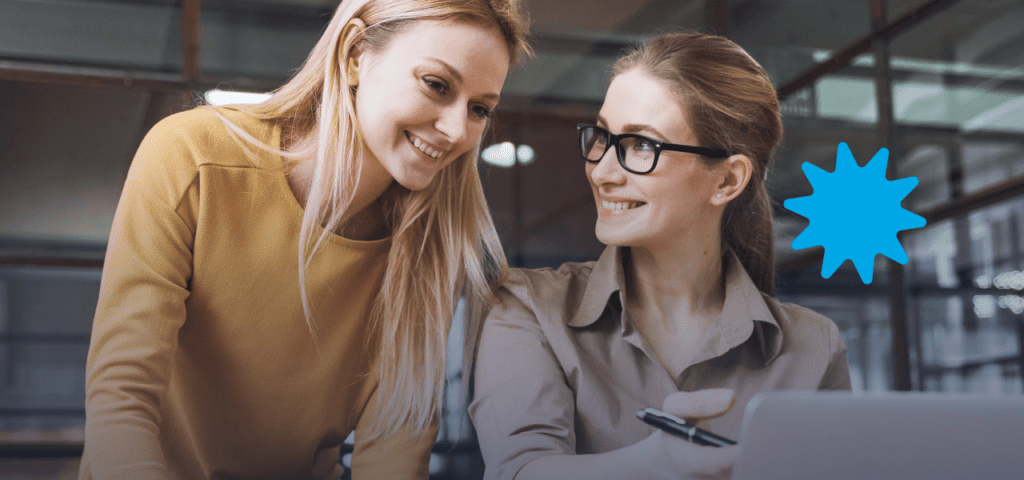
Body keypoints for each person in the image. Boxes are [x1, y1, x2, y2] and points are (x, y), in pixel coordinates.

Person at [80, 0, 530, 478]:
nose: (458, 130)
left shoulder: (430, 244)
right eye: (437, 85)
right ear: (357, 53)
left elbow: (394, 450)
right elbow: (120, 399)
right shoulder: (193, 157)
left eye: (480, 108)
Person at [468, 31, 851, 480]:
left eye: (641, 145)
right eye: (602, 137)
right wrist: (656, 463)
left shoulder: (814, 347)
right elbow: (521, 472)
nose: (603, 171)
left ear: (727, 181)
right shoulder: (527, 309)